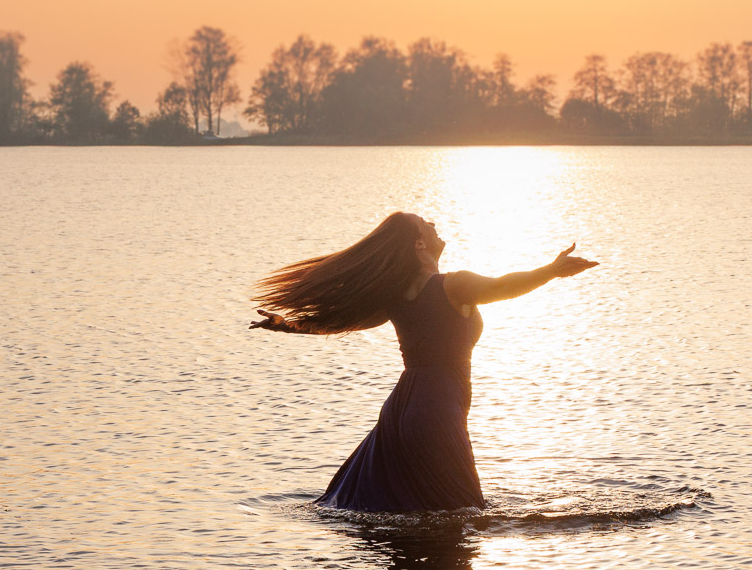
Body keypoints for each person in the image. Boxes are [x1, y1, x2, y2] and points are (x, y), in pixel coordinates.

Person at [249, 212, 598, 513]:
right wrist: (552, 270)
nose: (431, 223)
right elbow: (503, 286)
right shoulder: (455, 284)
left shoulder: (396, 297)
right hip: (437, 406)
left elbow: (343, 324)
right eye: (423, 224)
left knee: (408, 505)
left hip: (401, 409)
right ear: (419, 245)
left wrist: (287, 326)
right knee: (464, 508)